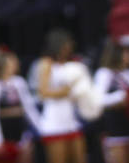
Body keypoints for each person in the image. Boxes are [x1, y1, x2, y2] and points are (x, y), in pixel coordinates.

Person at [36, 29, 89, 163]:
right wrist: (67, 91)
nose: (69, 47)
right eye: (66, 43)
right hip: (54, 121)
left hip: (71, 118)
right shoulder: (46, 63)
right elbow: (42, 92)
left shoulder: (72, 63)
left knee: (80, 158)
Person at [93, 40, 129, 163]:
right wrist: (119, 97)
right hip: (113, 127)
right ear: (116, 54)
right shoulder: (104, 73)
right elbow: (97, 100)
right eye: (127, 53)